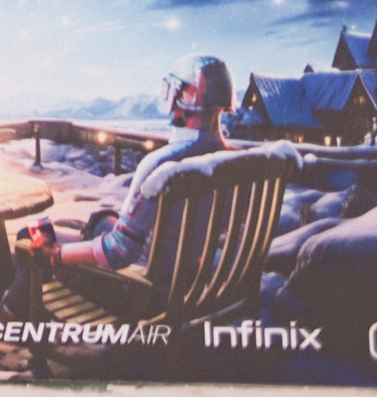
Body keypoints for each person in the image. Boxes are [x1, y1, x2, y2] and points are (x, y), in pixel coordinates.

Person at [21, 55, 231, 271]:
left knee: (26, 236)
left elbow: (120, 251)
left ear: (181, 97)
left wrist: (58, 255)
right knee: (102, 220)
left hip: (147, 279)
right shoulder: (236, 161)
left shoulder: (161, 165)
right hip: (195, 268)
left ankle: (24, 288)